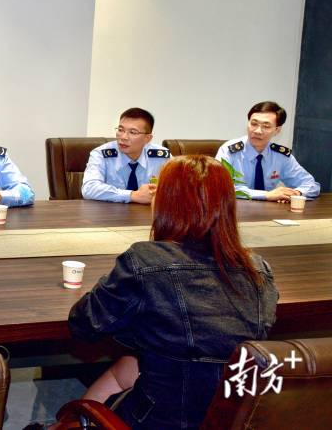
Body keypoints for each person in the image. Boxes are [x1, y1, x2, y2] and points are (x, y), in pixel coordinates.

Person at [68, 155, 278, 429]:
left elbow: (84, 326)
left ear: (168, 203)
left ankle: (74, 422)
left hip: (163, 420)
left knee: (140, 362)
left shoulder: (144, 261)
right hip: (230, 416)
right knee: (131, 364)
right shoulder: (258, 270)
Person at [215, 101, 320, 202]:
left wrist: (295, 193)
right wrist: (266, 195)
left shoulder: (280, 156)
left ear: (277, 130)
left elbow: (311, 185)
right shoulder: (229, 151)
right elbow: (220, 186)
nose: (257, 131)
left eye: (266, 126)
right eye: (254, 124)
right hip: (234, 210)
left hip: (269, 211)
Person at [82, 107, 170, 204]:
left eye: (132, 132)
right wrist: (132, 195)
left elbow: (180, 187)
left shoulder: (162, 157)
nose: (123, 137)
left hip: (148, 212)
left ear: (147, 138)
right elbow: (89, 188)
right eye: (120, 130)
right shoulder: (101, 154)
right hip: (109, 212)